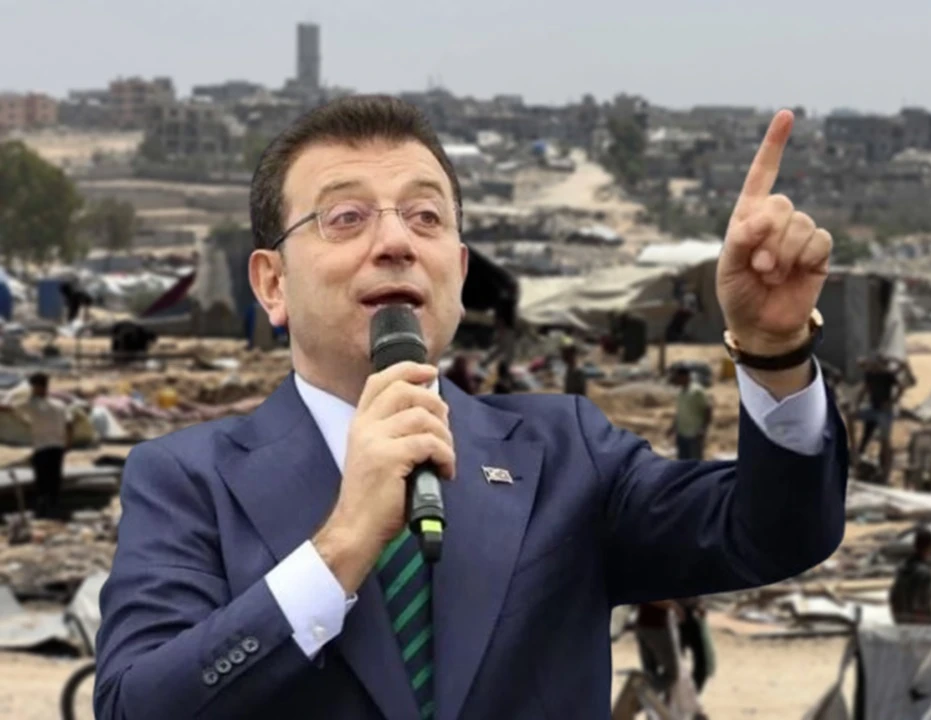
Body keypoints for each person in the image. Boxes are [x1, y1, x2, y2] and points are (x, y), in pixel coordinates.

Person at [93, 96, 848, 720]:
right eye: (346, 217)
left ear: (457, 271)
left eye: (425, 217)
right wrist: (340, 548)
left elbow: (774, 532)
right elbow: (136, 706)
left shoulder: (566, 453)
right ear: (272, 284)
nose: (395, 241)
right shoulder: (189, 480)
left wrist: (773, 352)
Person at [19, 373, 73, 520]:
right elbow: (69, 425)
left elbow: (10, 407)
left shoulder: (32, 404)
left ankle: (43, 511)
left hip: (42, 447)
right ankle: (54, 509)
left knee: (42, 481)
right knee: (55, 479)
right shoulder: (60, 404)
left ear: (37, 387)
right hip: (58, 447)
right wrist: (68, 443)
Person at [853, 353, 914, 479]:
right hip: (873, 408)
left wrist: (892, 401)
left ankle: (884, 468)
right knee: (861, 429)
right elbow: (864, 390)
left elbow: (901, 387)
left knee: (884, 440)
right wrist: (856, 405)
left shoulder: (887, 375)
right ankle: (856, 456)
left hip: (884, 411)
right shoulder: (870, 375)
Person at [889, 527, 931, 625]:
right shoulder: (924, 572)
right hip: (915, 624)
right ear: (929, 547)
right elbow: (921, 604)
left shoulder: (902, 567)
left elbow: (893, 595)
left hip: (900, 619)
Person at [669, 364, 712, 460]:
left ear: (685, 376)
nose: (676, 380)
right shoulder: (680, 392)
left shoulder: (697, 391)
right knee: (683, 463)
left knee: (695, 463)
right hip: (682, 434)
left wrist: (703, 429)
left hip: (694, 435)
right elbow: (680, 412)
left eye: (678, 377)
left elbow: (708, 409)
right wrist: (673, 427)